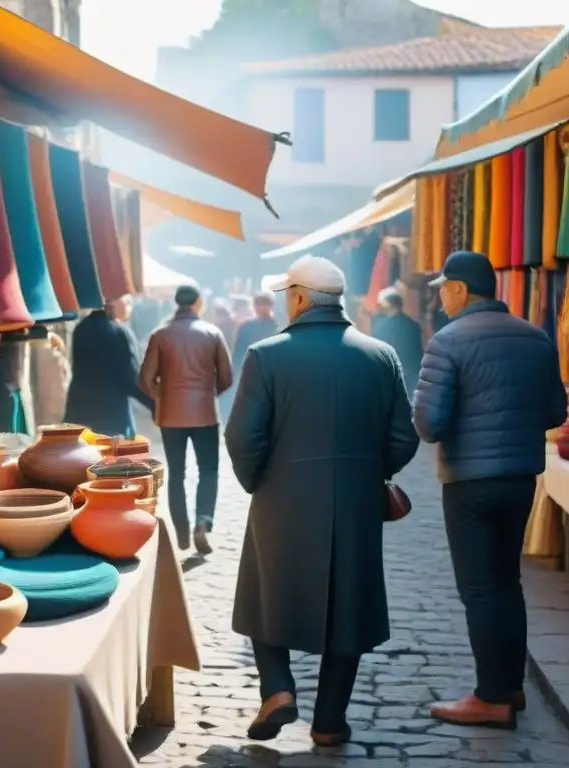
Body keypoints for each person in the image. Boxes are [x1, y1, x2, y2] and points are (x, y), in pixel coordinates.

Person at [225, 255, 418, 746]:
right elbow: (403, 437)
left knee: (265, 591)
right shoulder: (381, 356)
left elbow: (243, 436)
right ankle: (330, 721)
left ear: (299, 298)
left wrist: (260, 482)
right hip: (355, 502)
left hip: (280, 497)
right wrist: (371, 474)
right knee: (348, 604)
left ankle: (278, 688)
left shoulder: (266, 355)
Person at [413, 250, 567, 729]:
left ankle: (491, 696)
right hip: (520, 478)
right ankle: (511, 686)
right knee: (507, 583)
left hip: (470, 483)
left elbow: (429, 424)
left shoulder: (448, 341)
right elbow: (556, 414)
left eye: (443, 287)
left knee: (480, 589)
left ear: (460, 289)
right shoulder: (536, 337)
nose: (439, 296)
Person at [140, 285, 232, 554]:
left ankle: (181, 528)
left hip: (170, 415)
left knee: (177, 474)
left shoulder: (160, 334)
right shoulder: (212, 333)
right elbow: (226, 377)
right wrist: (207, 393)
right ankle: (203, 520)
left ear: (176, 303)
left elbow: (145, 378)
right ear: (199, 303)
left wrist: (163, 397)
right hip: (205, 413)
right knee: (209, 470)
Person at [64, 296, 153, 438]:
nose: (129, 306)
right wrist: (156, 405)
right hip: (111, 417)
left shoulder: (81, 328)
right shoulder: (120, 332)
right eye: (127, 300)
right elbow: (131, 379)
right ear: (114, 303)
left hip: (79, 412)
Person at [371, 287, 423, 397]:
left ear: (388, 304)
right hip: (412, 374)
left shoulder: (383, 328)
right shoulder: (414, 325)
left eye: (382, 303)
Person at [231, 290, 280, 373]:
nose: (260, 308)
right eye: (257, 304)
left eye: (264, 304)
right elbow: (238, 354)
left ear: (270, 306)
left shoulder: (277, 328)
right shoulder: (246, 327)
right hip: (250, 372)